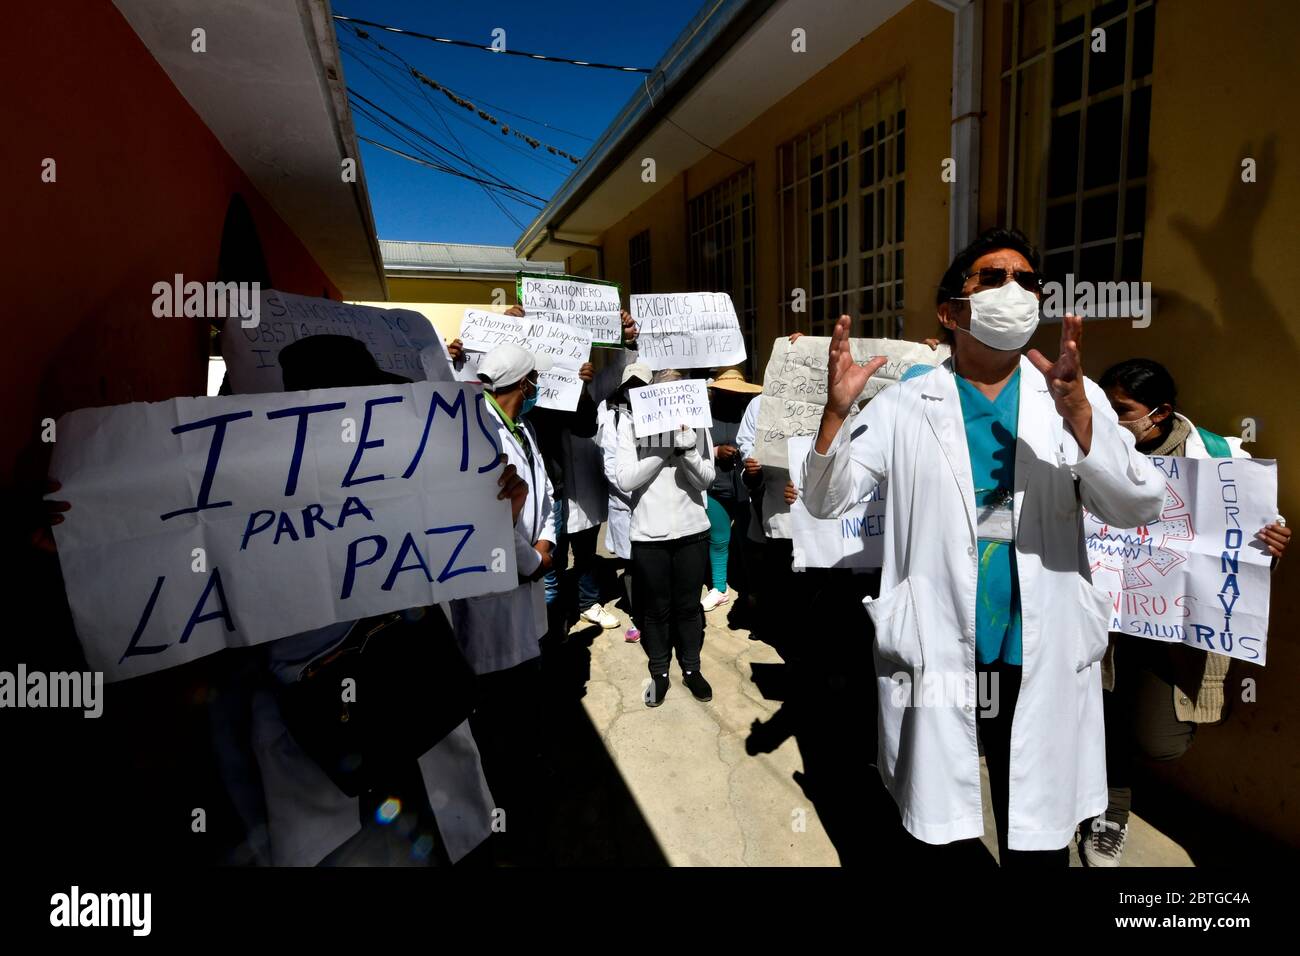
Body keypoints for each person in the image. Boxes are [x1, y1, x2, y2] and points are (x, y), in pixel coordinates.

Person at [800, 227, 1165, 866]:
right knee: (942, 827)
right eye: (992, 278)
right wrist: (834, 415)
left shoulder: (1073, 397)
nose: (1014, 292)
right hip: (940, 640)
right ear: (951, 311)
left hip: (1040, 643)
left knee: (1040, 830)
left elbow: (1138, 505)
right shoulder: (906, 404)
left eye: (1026, 281)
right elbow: (826, 501)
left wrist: (1081, 418)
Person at [1077, 357, 1291, 866]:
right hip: (1096, 617)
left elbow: (1240, 554)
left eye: (1122, 409)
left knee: (1158, 738)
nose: (1111, 416)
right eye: (1104, 404)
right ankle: (1109, 812)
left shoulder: (1222, 460)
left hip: (1170, 631)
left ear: (1161, 412)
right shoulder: (1090, 447)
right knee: (1092, 713)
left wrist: (1268, 549)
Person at [448, 341, 557, 864]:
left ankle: (525, 792)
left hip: (529, 590)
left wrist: (548, 542)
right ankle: (506, 821)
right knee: (500, 717)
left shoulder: (523, 430)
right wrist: (532, 560)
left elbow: (546, 495)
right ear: (523, 384)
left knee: (527, 695)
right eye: (533, 380)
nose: (537, 388)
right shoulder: (478, 434)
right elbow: (490, 514)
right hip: (494, 600)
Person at [614, 368, 717, 706]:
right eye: (663, 394)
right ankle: (659, 672)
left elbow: (706, 480)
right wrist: (661, 452)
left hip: (692, 532)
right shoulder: (630, 426)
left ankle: (691, 669)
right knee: (656, 609)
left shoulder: (699, 426)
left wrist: (687, 452)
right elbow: (626, 479)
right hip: (649, 535)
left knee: (688, 608)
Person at [596, 361, 654, 642]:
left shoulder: (658, 416)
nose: (635, 392)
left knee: (653, 562)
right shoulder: (612, 417)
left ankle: (656, 614)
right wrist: (634, 489)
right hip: (626, 503)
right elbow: (610, 465)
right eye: (631, 387)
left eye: (641, 387)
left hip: (654, 505)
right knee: (632, 565)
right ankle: (639, 616)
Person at [702, 367, 762, 612]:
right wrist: (716, 452)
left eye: (734, 392)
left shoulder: (751, 414)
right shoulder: (703, 416)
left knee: (748, 541)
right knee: (719, 539)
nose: (730, 395)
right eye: (725, 391)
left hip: (746, 488)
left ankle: (753, 590)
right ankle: (719, 587)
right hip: (715, 486)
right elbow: (692, 447)